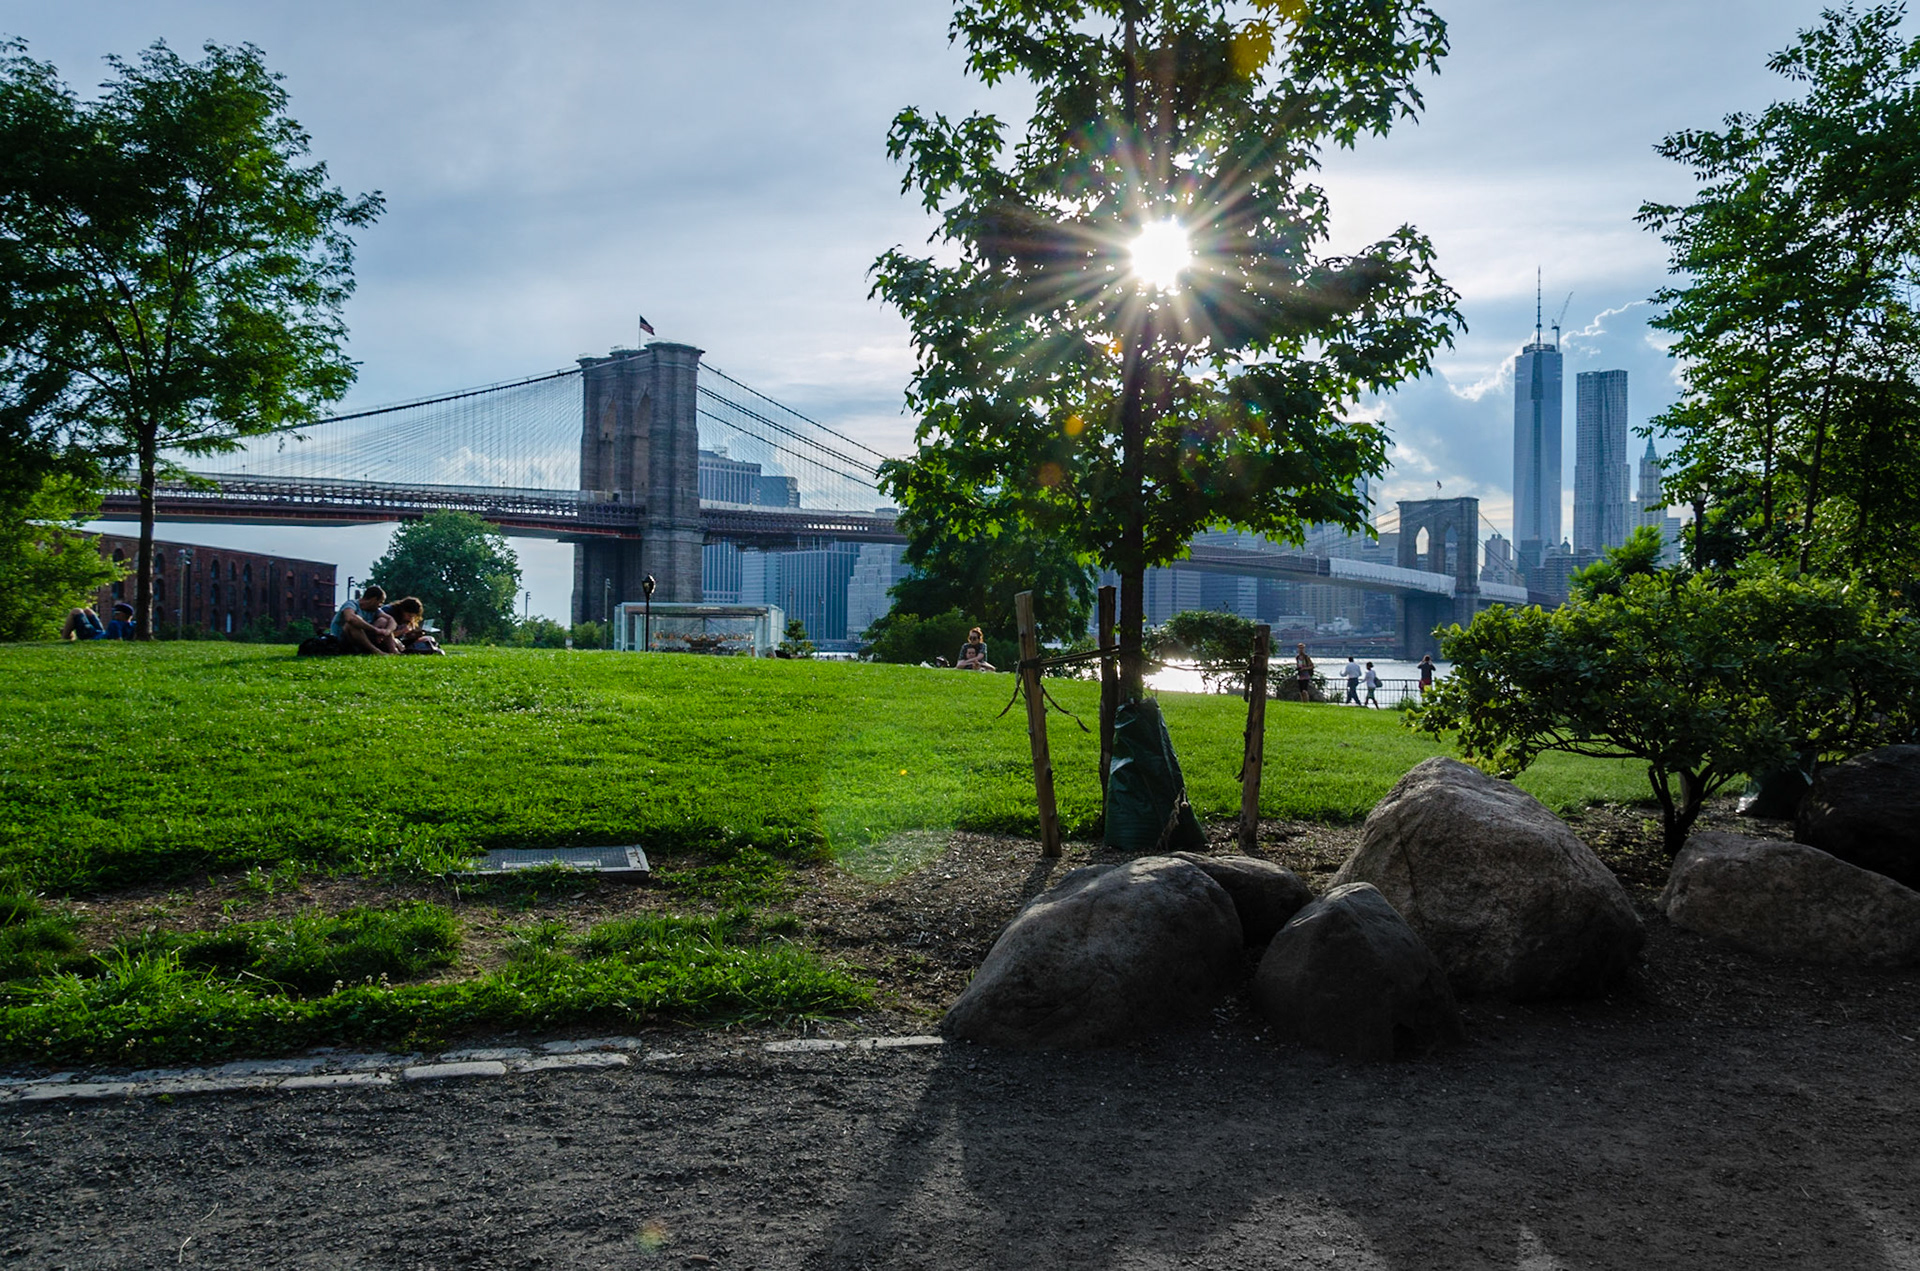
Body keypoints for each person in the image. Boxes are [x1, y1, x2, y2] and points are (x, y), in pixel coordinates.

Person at [330, 585, 390, 654]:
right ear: (373, 599)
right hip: (342, 640)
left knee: (383, 620)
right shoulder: (351, 604)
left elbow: (390, 619)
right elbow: (350, 618)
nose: (381, 605)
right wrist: (376, 630)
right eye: (380, 602)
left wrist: (387, 631)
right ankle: (375, 651)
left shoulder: (375, 610)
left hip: (360, 639)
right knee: (352, 624)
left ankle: (394, 651)